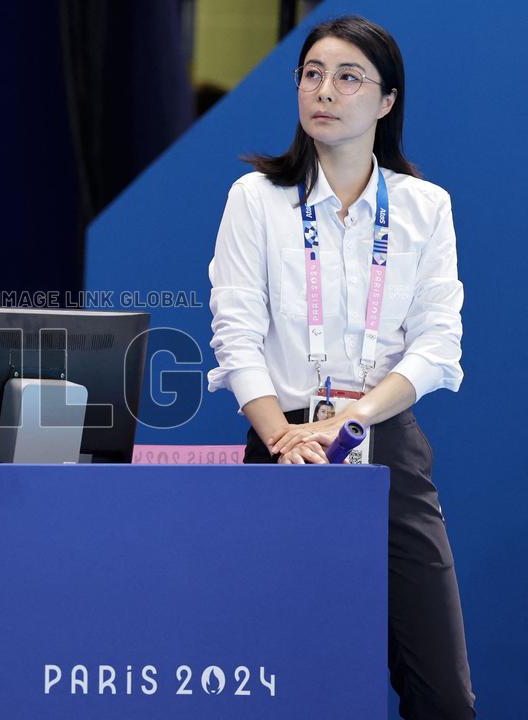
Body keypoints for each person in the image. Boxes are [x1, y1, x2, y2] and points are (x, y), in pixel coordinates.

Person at [206, 15, 475, 720]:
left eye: (349, 77)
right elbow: (236, 333)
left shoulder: (425, 208)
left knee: (444, 697)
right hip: (280, 449)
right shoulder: (256, 201)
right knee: (282, 681)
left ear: (386, 101)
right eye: (312, 74)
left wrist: (350, 419)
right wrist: (284, 436)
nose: (325, 91)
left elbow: (438, 347)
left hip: (385, 448)